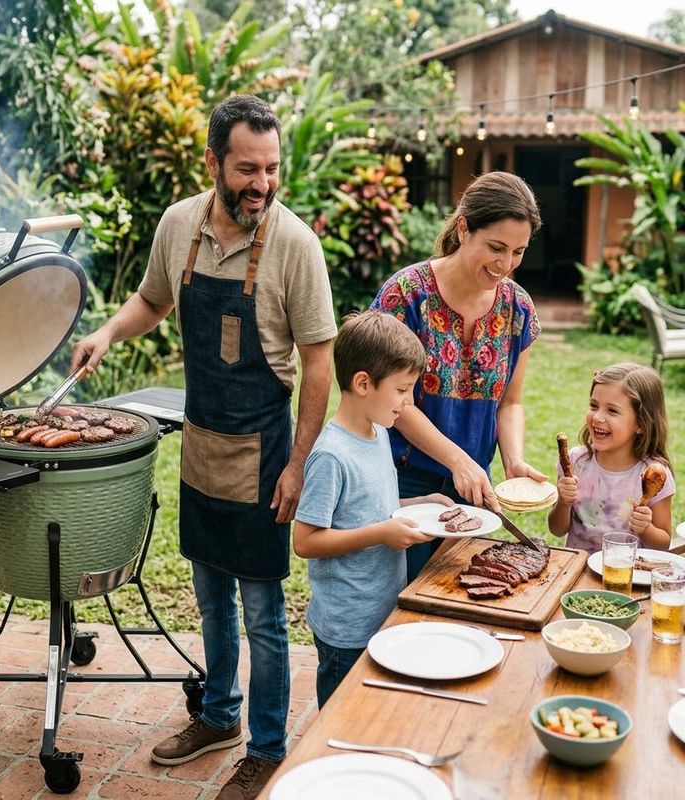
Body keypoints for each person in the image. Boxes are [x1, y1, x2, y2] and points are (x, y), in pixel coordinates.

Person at [70, 94, 337, 799]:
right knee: (209, 594)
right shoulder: (178, 224)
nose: (263, 184)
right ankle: (217, 715)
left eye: (272, 169)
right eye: (248, 169)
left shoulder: (295, 246)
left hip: (264, 449)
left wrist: (299, 463)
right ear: (213, 162)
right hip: (200, 443)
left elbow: (319, 363)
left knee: (263, 612)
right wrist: (107, 333)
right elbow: (152, 301)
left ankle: (268, 745)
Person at [370, 171, 546, 580]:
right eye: (496, 248)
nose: (505, 265)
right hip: (402, 480)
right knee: (401, 607)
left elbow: (511, 402)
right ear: (464, 228)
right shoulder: (406, 296)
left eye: (518, 252)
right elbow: (397, 403)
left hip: (473, 488)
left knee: (458, 599)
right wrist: (458, 460)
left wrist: (513, 460)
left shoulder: (518, 309)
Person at [293, 311, 450, 708]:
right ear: (363, 383)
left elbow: (370, 506)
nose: (408, 402)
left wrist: (419, 504)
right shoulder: (331, 456)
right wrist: (382, 534)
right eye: (402, 390)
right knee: (341, 719)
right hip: (346, 629)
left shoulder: (378, 433)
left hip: (382, 612)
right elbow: (306, 540)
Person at [548, 362, 674, 554]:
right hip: (578, 571)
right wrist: (564, 502)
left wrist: (646, 529)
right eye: (593, 405)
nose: (597, 417)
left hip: (626, 575)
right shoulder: (575, 463)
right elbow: (557, 530)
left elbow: (663, 544)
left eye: (612, 410)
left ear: (641, 423)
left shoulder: (654, 475)